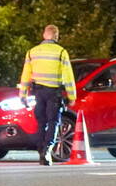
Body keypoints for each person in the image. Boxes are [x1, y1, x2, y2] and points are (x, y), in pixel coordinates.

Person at [18, 25, 76, 165]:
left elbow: (26, 75)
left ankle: (40, 151)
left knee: (41, 123)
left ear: (44, 35)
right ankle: (47, 150)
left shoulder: (32, 52)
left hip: (38, 92)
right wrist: (72, 96)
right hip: (53, 93)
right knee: (53, 122)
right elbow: (68, 77)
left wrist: (23, 95)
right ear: (56, 36)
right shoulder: (61, 52)